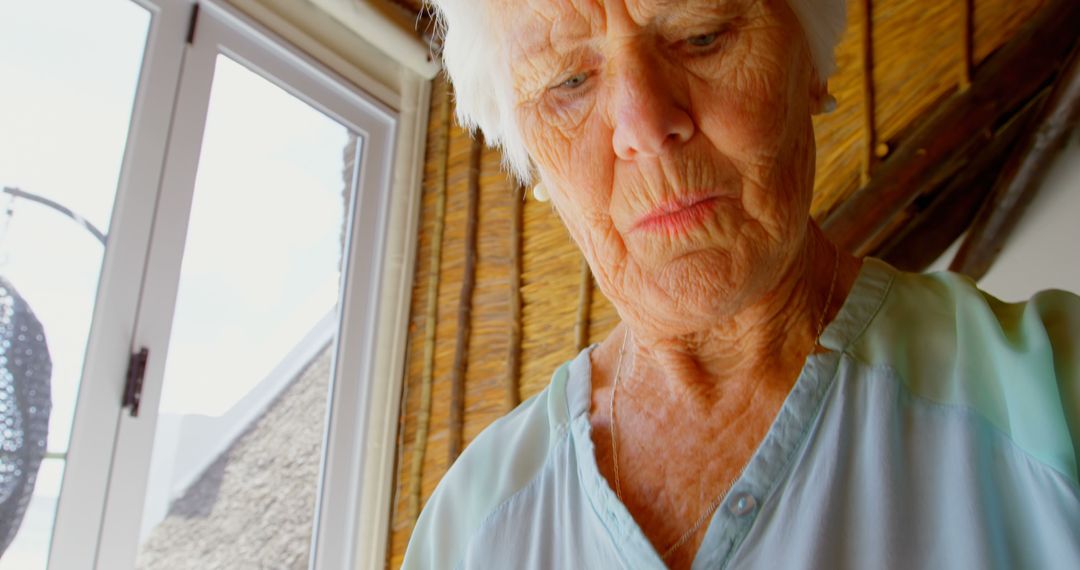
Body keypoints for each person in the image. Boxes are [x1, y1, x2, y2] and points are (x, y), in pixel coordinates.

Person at [402, 0, 1080, 568]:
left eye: (702, 35)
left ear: (809, 66)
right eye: (567, 84)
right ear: (534, 163)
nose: (645, 125)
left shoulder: (1051, 398)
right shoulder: (469, 531)